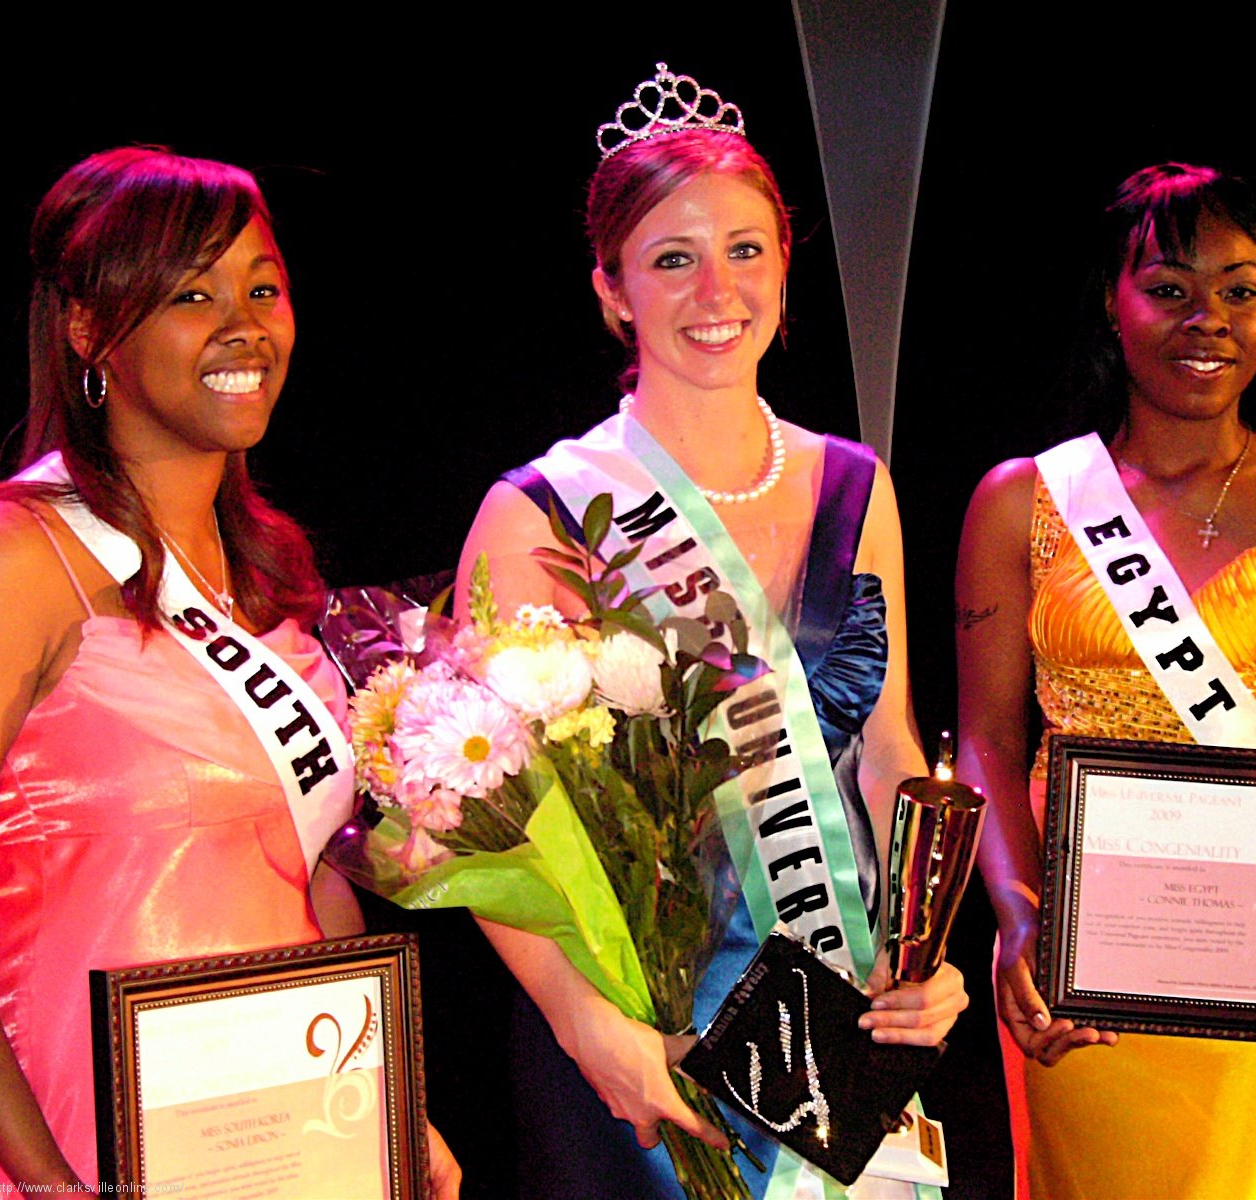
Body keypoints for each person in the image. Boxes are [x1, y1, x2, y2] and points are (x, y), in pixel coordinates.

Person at [0, 147, 459, 1197]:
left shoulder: (270, 572)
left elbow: (308, 874)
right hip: (66, 1127)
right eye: (191, 295)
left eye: (261, 289)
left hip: (283, 1129)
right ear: (91, 330)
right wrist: (46, 1180)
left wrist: (393, 1110)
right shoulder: (4, 562)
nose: (245, 325)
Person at [455, 65, 967, 1198]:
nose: (715, 289)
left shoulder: (853, 484)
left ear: (785, 264)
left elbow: (882, 745)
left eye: (744, 249)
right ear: (612, 291)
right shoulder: (543, 510)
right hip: (650, 1037)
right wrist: (589, 1028)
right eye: (671, 259)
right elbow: (477, 823)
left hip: (837, 1009)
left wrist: (919, 957)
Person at [955, 162, 1256, 1199]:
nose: (1207, 319)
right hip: (1083, 975)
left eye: (1238, 291)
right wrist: (1023, 919)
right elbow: (985, 740)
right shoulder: (1019, 502)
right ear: (1111, 308)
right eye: (1168, 289)